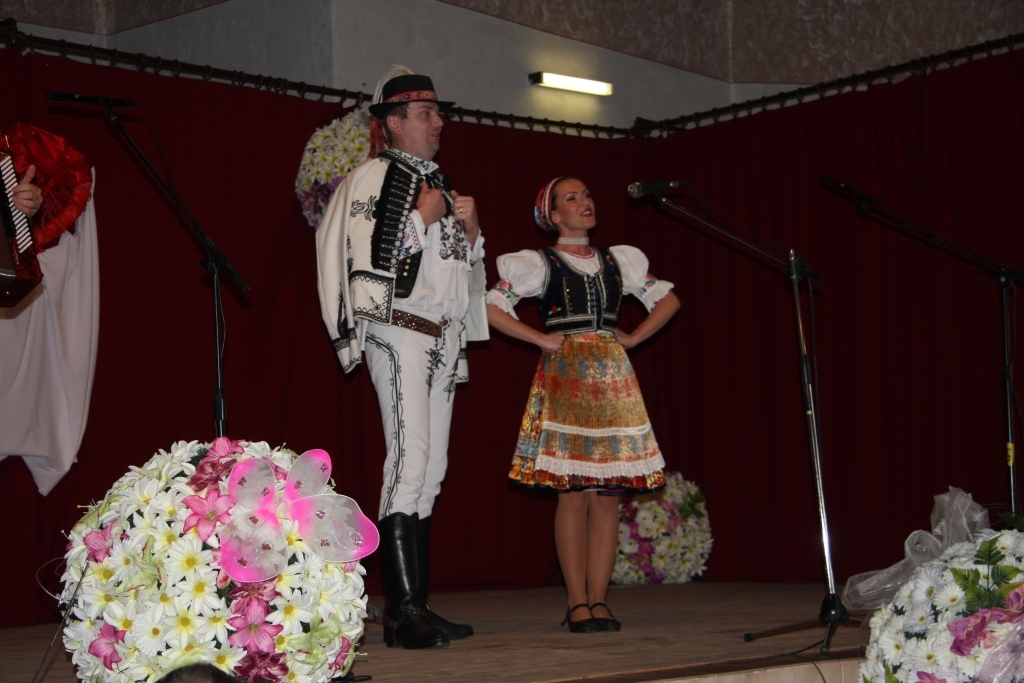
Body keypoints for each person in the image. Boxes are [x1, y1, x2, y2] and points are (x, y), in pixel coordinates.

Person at [315, 69, 487, 649]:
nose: (438, 123)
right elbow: (364, 257)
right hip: (398, 330)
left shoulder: (437, 182)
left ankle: (417, 603)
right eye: (425, 113)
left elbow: (456, 268)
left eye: (439, 113)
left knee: (431, 468)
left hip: (441, 335)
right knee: (408, 459)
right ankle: (400, 611)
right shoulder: (373, 177)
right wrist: (423, 217)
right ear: (392, 121)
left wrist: (470, 229)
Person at [486, 176, 680, 632]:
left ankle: (600, 600)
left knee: (608, 497)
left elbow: (668, 301)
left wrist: (633, 337)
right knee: (572, 494)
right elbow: (492, 306)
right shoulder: (540, 263)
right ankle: (577, 602)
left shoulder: (618, 260)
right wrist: (540, 339)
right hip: (567, 376)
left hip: (613, 380)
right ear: (553, 215)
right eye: (571, 198)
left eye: (587, 195)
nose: (584, 202)